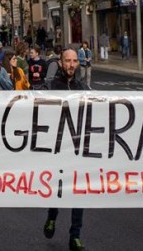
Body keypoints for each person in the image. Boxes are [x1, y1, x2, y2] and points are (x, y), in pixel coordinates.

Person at [42, 48, 89, 251]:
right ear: (60, 63)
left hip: (78, 149)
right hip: (57, 148)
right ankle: (52, 215)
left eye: (74, 61)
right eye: (67, 61)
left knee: (78, 193)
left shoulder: (83, 87)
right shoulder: (50, 86)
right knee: (58, 189)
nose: (71, 65)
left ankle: (75, 235)